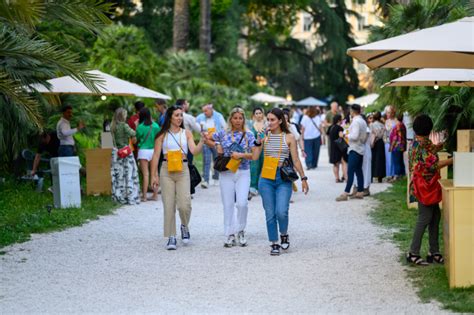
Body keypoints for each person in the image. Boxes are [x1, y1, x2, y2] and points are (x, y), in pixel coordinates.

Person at [253, 108, 309, 256]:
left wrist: (303, 178)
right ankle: (274, 242)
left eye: (272, 120)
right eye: (268, 120)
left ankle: (284, 233)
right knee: (270, 212)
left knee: (282, 211)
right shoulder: (265, 136)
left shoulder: (289, 137)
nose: (269, 122)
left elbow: (296, 160)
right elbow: (254, 157)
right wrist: (258, 141)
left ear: (279, 121)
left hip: (282, 177)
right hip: (266, 178)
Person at [150, 105, 205, 250]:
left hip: (183, 169)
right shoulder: (161, 135)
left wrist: (202, 141)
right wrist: (153, 175)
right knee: (168, 205)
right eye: (177, 115)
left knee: (184, 204)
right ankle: (171, 236)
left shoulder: (186, 133)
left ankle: (184, 226)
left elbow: (194, 151)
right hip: (166, 170)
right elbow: (156, 156)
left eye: (181, 115)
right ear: (170, 117)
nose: (180, 118)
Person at [203, 107, 258, 247]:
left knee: (242, 203)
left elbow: (254, 156)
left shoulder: (249, 135)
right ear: (231, 119)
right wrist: (216, 145)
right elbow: (206, 138)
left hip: (243, 172)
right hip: (226, 172)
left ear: (244, 120)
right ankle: (229, 234)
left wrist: (242, 155)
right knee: (228, 204)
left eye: (240, 118)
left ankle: (241, 230)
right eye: (235, 118)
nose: (238, 121)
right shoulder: (223, 133)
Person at [406, 114, 452, 266]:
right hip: (424, 187)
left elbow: (433, 149)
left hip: (425, 186)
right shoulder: (422, 146)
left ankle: (434, 251)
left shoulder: (419, 143)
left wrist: (443, 143)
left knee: (435, 217)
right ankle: (413, 252)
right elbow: (432, 165)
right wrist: (453, 160)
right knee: (425, 218)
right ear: (429, 128)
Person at [336, 104, 368, 201]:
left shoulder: (356, 121)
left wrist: (344, 135)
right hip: (361, 147)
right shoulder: (363, 121)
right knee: (358, 171)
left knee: (350, 171)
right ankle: (360, 191)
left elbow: (354, 136)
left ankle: (345, 193)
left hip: (354, 148)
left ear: (353, 111)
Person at [110, 107, 140, 205]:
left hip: (117, 153)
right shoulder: (124, 125)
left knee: (120, 176)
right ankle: (130, 195)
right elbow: (134, 133)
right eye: (125, 114)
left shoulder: (113, 126)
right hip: (126, 153)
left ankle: (119, 195)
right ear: (122, 115)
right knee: (130, 174)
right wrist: (136, 125)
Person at [196, 103, 227, 188]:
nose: (205, 113)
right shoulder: (200, 117)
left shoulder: (219, 116)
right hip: (206, 141)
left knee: (216, 159)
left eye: (206, 111)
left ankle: (216, 178)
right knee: (206, 160)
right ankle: (205, 180)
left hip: (216, 142)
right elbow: (195, 126)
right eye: (203, 111)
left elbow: (225, 127)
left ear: (211, 109)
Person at [136, 107, 161, 202]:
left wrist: (136, 126)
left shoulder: (140, 126)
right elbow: (158, 138)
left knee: (145, 174)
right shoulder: (155, 126)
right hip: (153, 151)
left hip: (143, 151)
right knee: (154, 173)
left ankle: (145, 196)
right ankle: (155, 195)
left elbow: (137, 138)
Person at [176, 99, 201, 165]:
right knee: (188, 164)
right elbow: (198, 129)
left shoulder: (170, 116)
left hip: (175, 142)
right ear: (183, 105)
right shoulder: (188, 117)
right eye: (187, 103)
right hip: (187, 143)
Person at [249, 107, 266, 197]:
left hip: (266, 149)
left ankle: (263, 187)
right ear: (254, 115)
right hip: (255, 149)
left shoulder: (267, 124)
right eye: (256, 113)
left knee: (264, 168)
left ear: (263, 114)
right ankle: (253, 187)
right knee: (254, 167)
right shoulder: (251, 125)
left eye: (260, 113)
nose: (259, 115)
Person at [328, 114, 348, 183]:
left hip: (332, 147)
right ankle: (346, 177)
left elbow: (328, 135)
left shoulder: (331, 127)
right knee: (344, 162)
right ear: (339, 120)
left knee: (335, 163)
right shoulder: (339, 128)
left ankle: (337, 178)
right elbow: (341, 136)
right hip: (339, 147)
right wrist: (346, 135)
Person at [389, 112, 407, 181]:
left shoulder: (397, 125)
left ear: (396, 118)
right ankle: (402, 175)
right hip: (402, 145)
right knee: (400, 161)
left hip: (397, 146)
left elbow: (395, 137)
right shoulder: (403, 125)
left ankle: (397, 176)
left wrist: (391, 146)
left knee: (396, 161)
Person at [370, 111, 386, 183]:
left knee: (373, 158)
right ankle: (380, 176)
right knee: (380, 159)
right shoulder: (382, 125)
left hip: (374, 142)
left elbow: (371, 134)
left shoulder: (372, 125)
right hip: (380, 142)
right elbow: (384, 134)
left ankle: (372, 175)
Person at [384, 105, 397, 179]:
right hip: (388, 142)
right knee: (388, 159)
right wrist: (385, 140)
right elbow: (385, 132)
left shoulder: (396, 121)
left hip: (395, 142)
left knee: (394, 158)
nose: (387, 114)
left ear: (392, 113)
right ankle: (389, 174)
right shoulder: (386, 121)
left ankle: (395, 174)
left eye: (389, 112)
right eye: (387, 112)